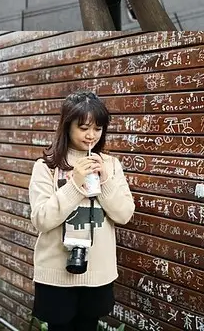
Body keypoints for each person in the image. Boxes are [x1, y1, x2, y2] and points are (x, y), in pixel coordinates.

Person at [29, 92, 135, 331]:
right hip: (56, 274)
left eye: (97, 128)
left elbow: (124, 214)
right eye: (84, 127)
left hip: (98, 273)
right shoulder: (46, 166)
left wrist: (105, 181)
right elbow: (41, 220)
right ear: (67, 127)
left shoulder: (111, 165)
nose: (91, 135)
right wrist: (75, 185)